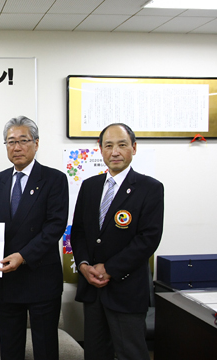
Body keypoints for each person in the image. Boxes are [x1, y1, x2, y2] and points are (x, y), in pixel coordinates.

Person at [71, 123, 164, 360]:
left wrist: (109, 269)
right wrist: (83, 265)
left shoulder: (150, 188)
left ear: (133, 147)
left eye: (122, 145)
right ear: (100, 150)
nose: (115, 152)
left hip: (127, 290)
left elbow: (148, 240)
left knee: (130, 353)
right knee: (95, 353)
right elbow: (79, 231)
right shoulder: (89, 186)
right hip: (93, 289)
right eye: (108, 145)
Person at [0, 116, 68, 360]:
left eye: (23, 141)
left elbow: (55, 226)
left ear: (36, 143)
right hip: (8, 278)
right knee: (10, 346)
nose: (16, 147)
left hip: (41, 276)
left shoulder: (54, 179)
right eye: (10, 142)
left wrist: (24, 256)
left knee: (45, 347)